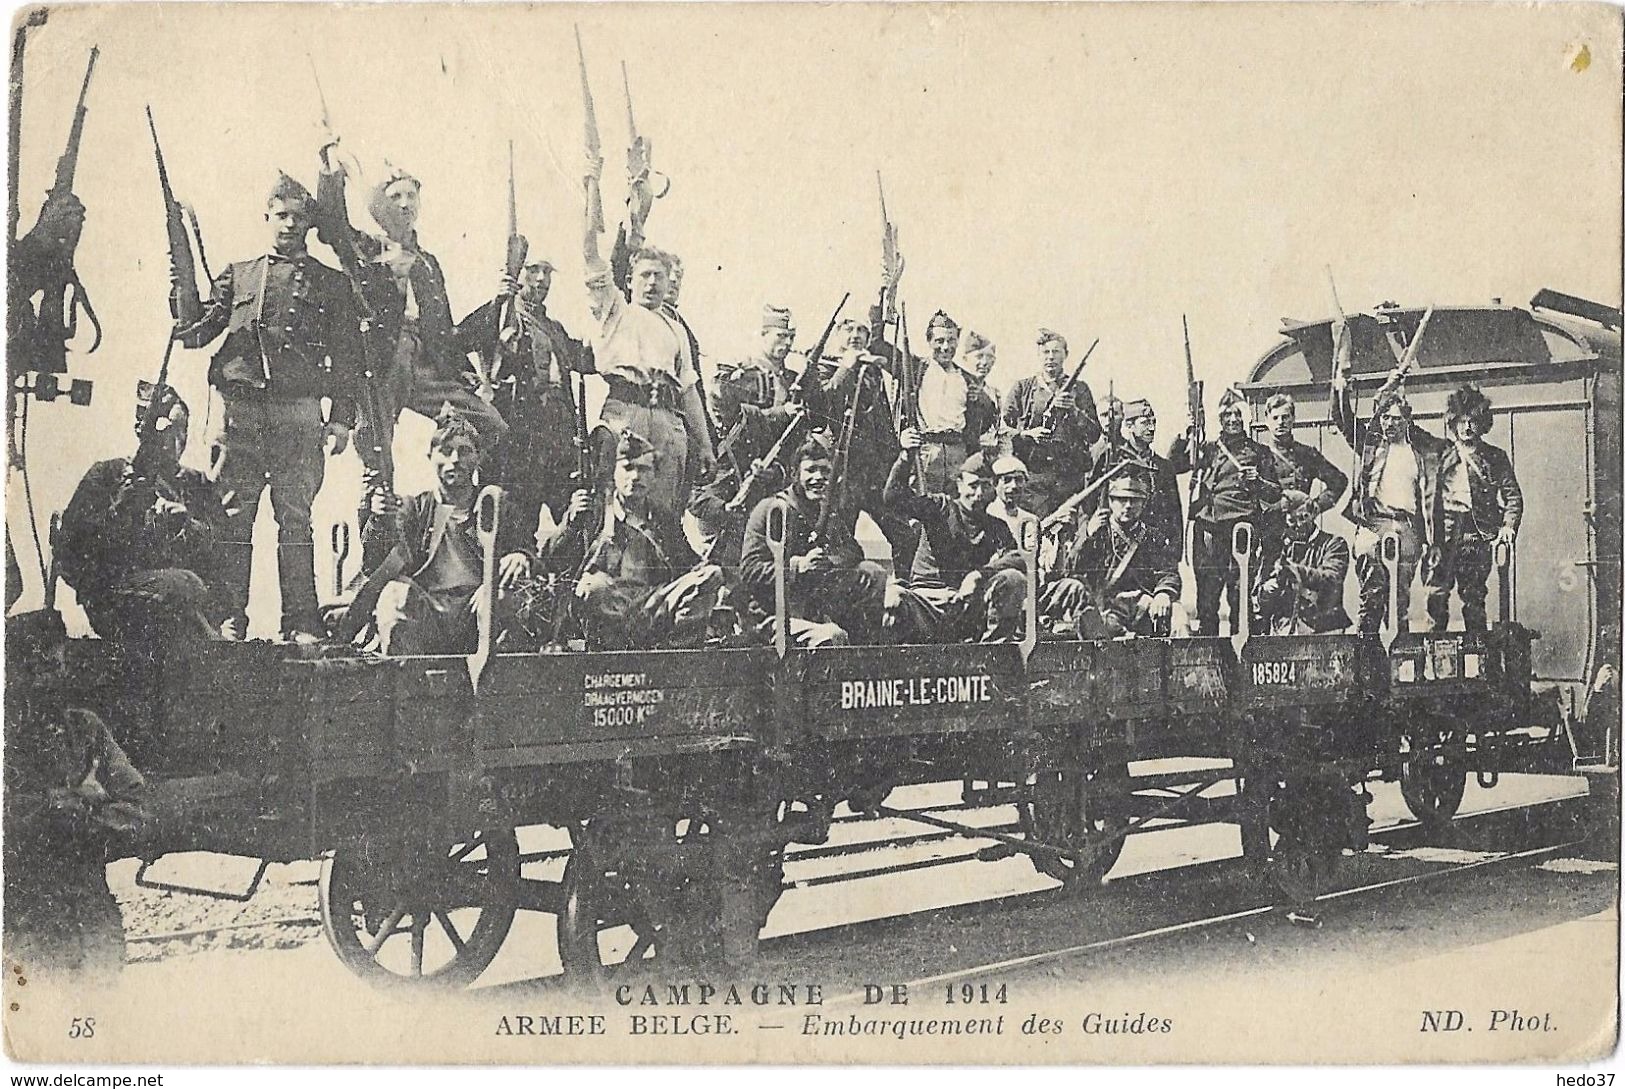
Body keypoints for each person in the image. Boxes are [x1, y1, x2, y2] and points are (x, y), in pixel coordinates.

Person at [173, 173, 362, 642]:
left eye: (299, 217)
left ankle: (301, 621)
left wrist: (340, 418)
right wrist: (179, 276)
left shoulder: (331, 285)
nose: (290, 225)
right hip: (241, 417)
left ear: (308, 223)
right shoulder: (239, 275)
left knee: (295, 520)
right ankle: (229, 617)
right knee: (234, 518)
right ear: (267, 217)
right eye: (282, 215)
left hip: (299, 416)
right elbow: (195, 332)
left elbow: (349, 360)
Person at [315, 152, 508, 545]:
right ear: (383, 206)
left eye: (411, 197)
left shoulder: (429, 263)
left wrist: (497, 306)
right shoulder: (367, 248)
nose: (404, 205)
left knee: (490, 424)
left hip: (426, 362)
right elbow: (331, 226)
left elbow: (447, 331)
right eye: (396, 197)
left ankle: (476, 526)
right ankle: (377, 550)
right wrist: (330, 173)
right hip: (383, 361)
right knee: (377, 463)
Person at [3, 611, 147, 984]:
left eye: (53, 662)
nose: (45, 676)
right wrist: (63, 803)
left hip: (90, 912)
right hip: (24, 920)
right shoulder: (9, 737)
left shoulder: (85, 728)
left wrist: (83, 813)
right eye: (33, 667)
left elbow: (134, 804)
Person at [582, 153, 716, 516]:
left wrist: (704, 444)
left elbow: (688, 390)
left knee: (666, 511)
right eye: (645, 275)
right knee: (613, 510)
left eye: (660, 276)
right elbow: (590, 251)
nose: (653, 283)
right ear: (629, 280)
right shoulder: (615, 310)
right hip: (625, 413)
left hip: (668, 422)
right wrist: (591, 185)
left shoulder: (675, 329)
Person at [57, 384, 227, 650]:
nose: (174, 441)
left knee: (187, 586)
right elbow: (72, 551)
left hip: (186, 602)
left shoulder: (197, 485)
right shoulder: (108, 475)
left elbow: (225, 553)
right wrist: (129, 503)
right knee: (183, 584)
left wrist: (187, 524)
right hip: (116, 600)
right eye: (166, 430)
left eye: (181, 431)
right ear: (142, 430)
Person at [360, 409, 534, 656]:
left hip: (478, 613)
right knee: (394, 594)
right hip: (427, 615)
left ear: (478, 458)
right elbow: (374, 567)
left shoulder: (495, 506)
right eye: (445, 451)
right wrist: (379, 520)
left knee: (506, 597)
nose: (454, 460)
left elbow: (526, 548)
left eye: (464, 451)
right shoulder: (415, 509)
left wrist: (520, 556)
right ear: (430, 456)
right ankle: (406, 684)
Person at [457, 256, 595, 548]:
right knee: (510, 527)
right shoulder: (499, 316)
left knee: (577, 524)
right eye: (534, 270)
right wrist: (497, 302)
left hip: (557, 442)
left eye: (547, 272)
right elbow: (457, 342)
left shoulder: (554, 329)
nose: (542, 279)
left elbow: (587, 361)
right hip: (516, 444)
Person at [542, 430, 723, 650]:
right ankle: (609, 658)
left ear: (654, 476)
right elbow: (551, 560)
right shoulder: (594, 510)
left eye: (644, 469)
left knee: (710, 575)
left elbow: (687, 565)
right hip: (608, 606)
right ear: (614, 473)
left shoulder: (662, 518)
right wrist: (570, 524)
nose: (635, 477)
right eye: (628, 468)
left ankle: (675, 662)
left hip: (651, 606)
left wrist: (706, 570)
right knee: (594, 586)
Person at [1329, 330, 1442, 634]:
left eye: (1396, 418)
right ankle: (1368, 662)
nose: (1390, 423)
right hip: (1372, 526)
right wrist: (1341, 384)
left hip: (1407, 529)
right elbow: (1342, 419)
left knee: (1399, 601)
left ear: (1408, 420)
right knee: (1371, 594)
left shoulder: (1423, 451)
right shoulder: (1371, 446)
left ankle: (1398, 663)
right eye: (1386, 418)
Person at [738, 435, 887, 646]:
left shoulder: (825, 512)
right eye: (810, 470)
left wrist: (829, 560)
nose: (818, 478)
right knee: (832, 636)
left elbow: (853, 552)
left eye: (825, 471)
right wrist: (797, 567)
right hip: (772, 617)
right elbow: (750, 571)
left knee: (872, 573)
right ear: (795, 474)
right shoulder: (772, 510)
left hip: (814, 609)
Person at [801, 317, 919, 572]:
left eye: (861, 331)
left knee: (905, 536)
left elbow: (883, 420)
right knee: (838, 546)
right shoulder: (824, 368)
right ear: (836, 336)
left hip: (874, 473)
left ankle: (903, 593)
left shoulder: (873, 370)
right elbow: (823, 406)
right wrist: (846, 367)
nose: (855, 335)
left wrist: (895, 464)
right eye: (849, 330)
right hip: (841, 474)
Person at [882, 442, 1027, 643]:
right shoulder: (940, 507)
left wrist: (979, 575)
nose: (979, 494)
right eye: (973, 485)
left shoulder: (995, 526)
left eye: (985, 486)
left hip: (966, 607)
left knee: (1013, 579)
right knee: (895, 597)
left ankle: (994, 655)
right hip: (929, 604)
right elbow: (894, 498)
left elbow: (1017, 558)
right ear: (959, 485)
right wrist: (905, 457)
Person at [1169, 387, 1281, 635]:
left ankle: (1241, 653)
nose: (1232, 420)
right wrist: (1187, 432)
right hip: (1208, 530)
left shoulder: (1260, 453)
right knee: (1207, 599)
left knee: (1240, 597)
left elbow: (1275, 493)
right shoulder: (1206, 450)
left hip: (1242, 530)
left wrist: (1258, 481)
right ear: (1220, 419)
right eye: (1227, 415)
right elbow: (1174, 465)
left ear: (1245, 418)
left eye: (1237, 415)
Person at [1421, 385, 1523, 631]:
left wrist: (1508, 526)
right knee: (1436, 598)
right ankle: (1437, 666)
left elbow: (1513, 497)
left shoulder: (1494, 457)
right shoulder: (1439, 453)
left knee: (1474, 599)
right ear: (1453, 422)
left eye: (1473, 422)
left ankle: (1480, 666)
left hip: (1476, 534)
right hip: (1443, 534)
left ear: (1482, 423)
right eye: (1462, 421)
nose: (1467, 427)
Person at [1041, 471, 1180, 638]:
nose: (1128, 505)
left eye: (1135, 500)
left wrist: (1163, 593)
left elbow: (1168, 572)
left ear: (1144, 504)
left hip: (1139, 606)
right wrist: (1088, 535)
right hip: (1102, 608)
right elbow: (1071, 570)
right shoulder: (1096, 533)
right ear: (1110, 501)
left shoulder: (1152, 537)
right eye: (1121, 499)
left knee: (1179, 616)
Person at [896, 310, 998, 496]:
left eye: (951, 341)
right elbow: (877, 345)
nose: (945, 347)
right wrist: (884, 295)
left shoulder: (967, 378)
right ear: (929, 342)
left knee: (956, 509)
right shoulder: (915, 368)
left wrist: (978, 401)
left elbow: (987, 418)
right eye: (939, 341)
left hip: (957, 453)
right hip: (927, 452)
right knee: (923, 506)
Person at [1002, 329, 1101, 516]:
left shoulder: (1080, 389)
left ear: (1065, 355)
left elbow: (1094, 433)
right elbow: (1000, 428)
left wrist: (1074, 410)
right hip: (1033, 476)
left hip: (1069, 477)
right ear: (1038, 356)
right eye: (1046, 352)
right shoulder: (1022, 388)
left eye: (1056, 352)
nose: (1051, 357)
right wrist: (1026, 434)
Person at [711, 304, 801, 467]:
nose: (787, 342)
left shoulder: (793, 379)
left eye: (791, 337)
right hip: (740, 462)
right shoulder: (741, 375)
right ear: (763, 335)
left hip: (780, 465)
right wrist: (781, 413)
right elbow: (735, 421)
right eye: (781, 336)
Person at [1254, 496, 1352, 635]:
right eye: (1290, 521)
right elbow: (1259, 595)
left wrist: (1295, 571)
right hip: (1283, 630)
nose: (1294, 526)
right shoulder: (1277, 548)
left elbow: (1332, 579)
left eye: (1300, 519)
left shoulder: (1334, 544)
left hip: (1323, 630)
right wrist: (1267, 590)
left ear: (1311, 516)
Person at [1119, 398, 1184, 555]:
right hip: (1126, 550)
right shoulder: (1118, 463)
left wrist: (1175, 550)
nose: (1152, 428)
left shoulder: (1164, 466)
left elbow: (1174, 512)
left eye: (1153, 422)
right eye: (1145, 423)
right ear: (1129, 426)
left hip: (1157, 550)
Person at [988, 455, 1040, 543]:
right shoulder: (989, 515)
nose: (1014, 486)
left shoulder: (1031, 520)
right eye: (1007, 480)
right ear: (995, 484)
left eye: (1019, 480)